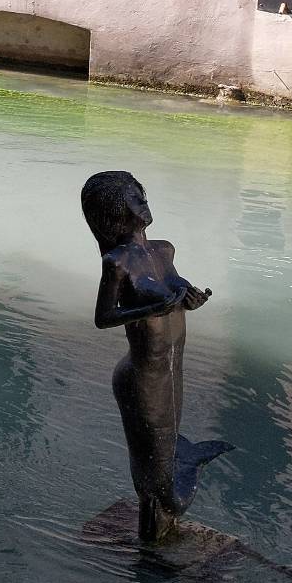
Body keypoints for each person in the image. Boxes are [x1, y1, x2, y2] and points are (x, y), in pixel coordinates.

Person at [81, 170, 230, 543]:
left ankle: (160, 528)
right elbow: (104, 318)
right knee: (161, 487)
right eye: (134, 197)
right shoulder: (117, 262)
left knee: (162, 461)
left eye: (142, 193)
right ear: (116, 212)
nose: (143, 202)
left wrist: (188, 295)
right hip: (143, 375)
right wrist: (149, 311)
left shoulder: (164, 250)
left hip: (171, 366)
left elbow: (173, 284)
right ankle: (152, 547)